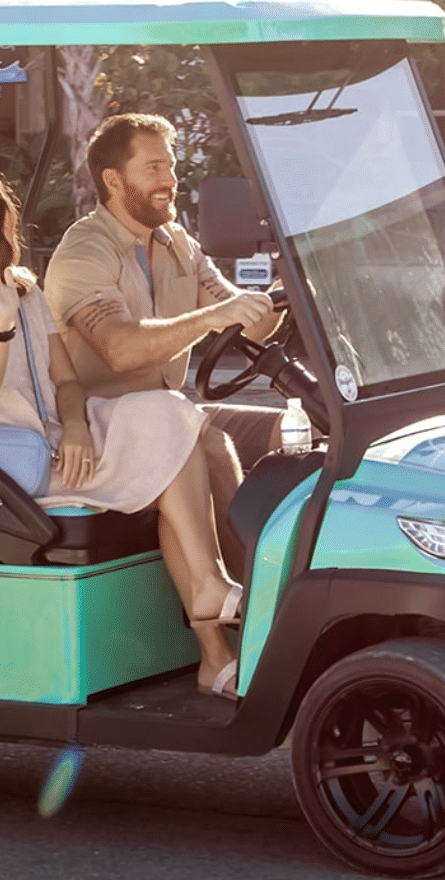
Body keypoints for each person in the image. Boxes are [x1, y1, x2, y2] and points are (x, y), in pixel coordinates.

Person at [0, 155, 242, 700]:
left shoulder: (23, 289)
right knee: (174, 444)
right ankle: (214, 641)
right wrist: (0, 322)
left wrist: (79, 426)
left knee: (171, 415)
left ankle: (208, 597)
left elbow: (65, 379)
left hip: (56, 438)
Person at [44, 113, 287, 571]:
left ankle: (290, 569)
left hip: (169, 409)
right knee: (211, 445)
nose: (169, 180)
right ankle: (251, 601)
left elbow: (248, 323)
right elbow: (119, 349)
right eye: (153, 168)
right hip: (98, 421)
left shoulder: (179, 242)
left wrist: (290, 282)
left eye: (171, 166)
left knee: (292, 432)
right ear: (113, 180)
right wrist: (211, 317)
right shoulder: (85, 250)